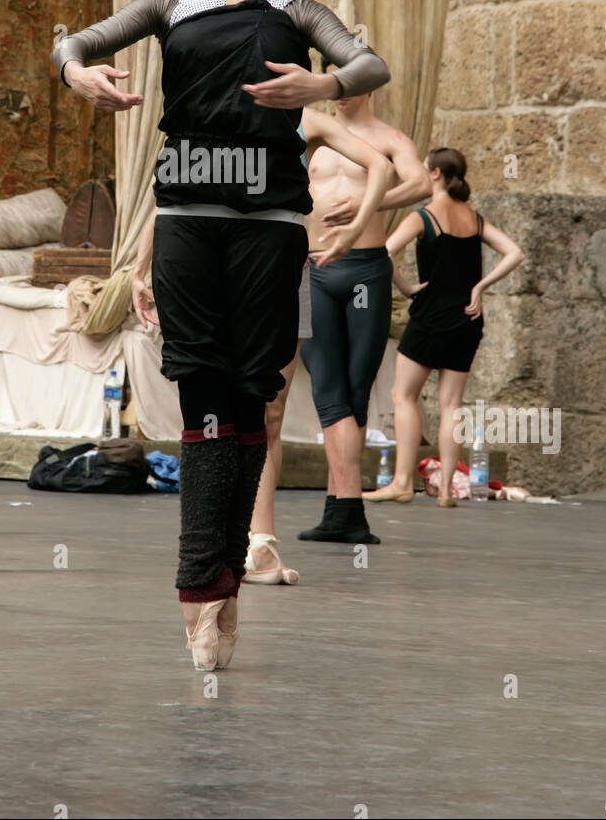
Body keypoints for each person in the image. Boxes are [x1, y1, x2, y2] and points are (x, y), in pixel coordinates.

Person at [51, 0, 390, 670]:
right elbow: (75, 41)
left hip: (271, 226)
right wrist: (77, 74)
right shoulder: (172, 0)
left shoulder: (294, 6)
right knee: (203, 389)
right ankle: (201, 592)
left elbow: (370, 64)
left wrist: (321, 89)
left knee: (253, 395)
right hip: (190, 221)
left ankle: (229, 577)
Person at [134, 114, 396, 586]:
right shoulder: (210, 109)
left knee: (267, 406)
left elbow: (380, 165)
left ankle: (260, 543)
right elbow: (173, 196)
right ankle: (222, 543)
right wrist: (140, 265)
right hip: (213, 263)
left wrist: (358, 227)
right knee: (214, 399)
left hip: (278, 266)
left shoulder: (305, 119)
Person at [295, 62, 433, 543]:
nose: (338, 92)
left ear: (368, 86)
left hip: (364, 271)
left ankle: (342, 509)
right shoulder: (313, 131)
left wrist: (369, 203)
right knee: (326, 387)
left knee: (355, 389)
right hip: (312, 270)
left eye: (347, 83)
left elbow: (422, 185)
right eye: (331, 81)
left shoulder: (387, 138)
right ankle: (344, 510)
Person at [382, 148, 524, 505]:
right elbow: (514, 252)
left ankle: (401, 481)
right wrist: (480, 286)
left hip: (430, 317)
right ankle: (445, 488)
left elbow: (384, 253)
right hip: (467, 319)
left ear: (434, 175)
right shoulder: (474, 219)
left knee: (404, 395)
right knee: (452, 406)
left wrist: (406, 288)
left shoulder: (424, 216)